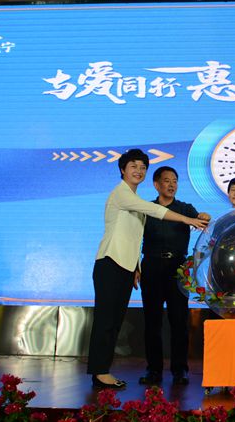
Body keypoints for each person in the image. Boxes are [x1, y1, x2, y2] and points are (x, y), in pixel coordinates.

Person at [88, 149, 208, 389]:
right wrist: (187, 220)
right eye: (133, 166)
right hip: (110, 263)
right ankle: (100, 371)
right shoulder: (123, 194)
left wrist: (135, 266)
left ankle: (103, 371)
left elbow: (133, 239)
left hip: (128, 267)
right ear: (123, 169)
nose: (139, 171)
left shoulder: (135, 199)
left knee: (115, 321)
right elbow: (154, 211)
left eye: (143, 167)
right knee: (107, 321)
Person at [138, 166, 211, 386]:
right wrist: (135, 267)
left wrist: (204, 216)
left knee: (179, 321)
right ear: (156, 184)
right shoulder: (147, 209)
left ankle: (180, 370)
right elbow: (134, 239)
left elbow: (202, 219)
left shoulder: (184, 208)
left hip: (177, 268)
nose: (171, 185)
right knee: (152, 322)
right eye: (166, 180)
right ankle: (154, 370)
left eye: (175, 181)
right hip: (151, 266)